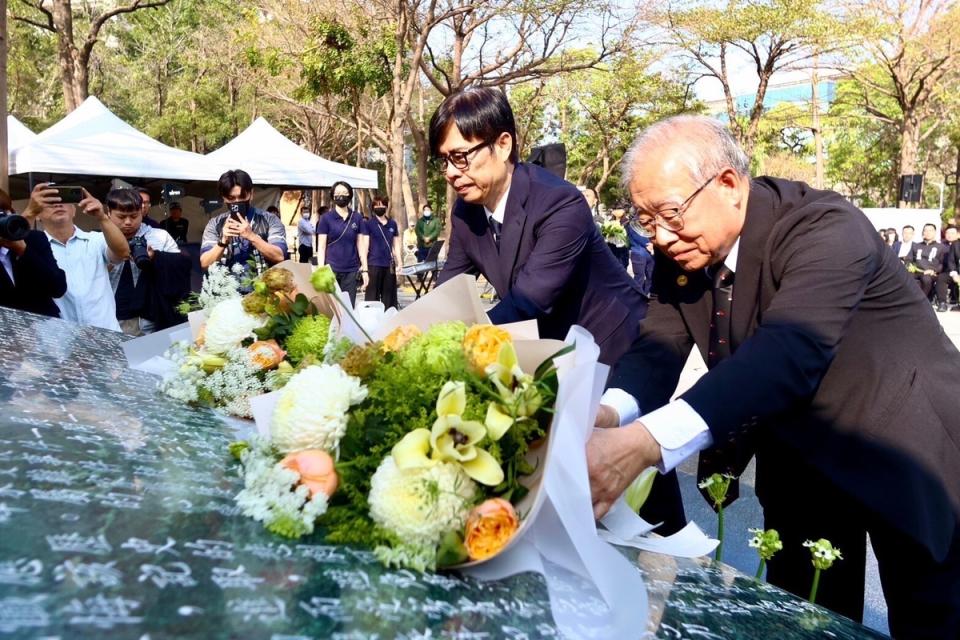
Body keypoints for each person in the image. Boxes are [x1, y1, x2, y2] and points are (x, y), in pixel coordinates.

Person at [586, 115, 960, 637]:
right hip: (800, 457)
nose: (661, 237)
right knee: (807, 619)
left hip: (904, 438)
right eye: (646, 221)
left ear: (728, 185)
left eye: (670, 214)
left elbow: (788, 351)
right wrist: (604, 414)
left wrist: (644, 444)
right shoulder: (685, 255)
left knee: (930, 616)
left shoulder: (824, 227)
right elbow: (656, 347)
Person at [430, 87, 647, 365]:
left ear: (503, 144)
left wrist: (458, 347)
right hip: (548, 350)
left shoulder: (558, 202)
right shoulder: (465, 211)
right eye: (444, 160)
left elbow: (528, 303)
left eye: (460, 156)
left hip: (609, 345)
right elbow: (449, 292)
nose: (450, 172)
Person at [31, 183, 130, 330]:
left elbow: (123, 252)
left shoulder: (96, 240)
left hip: (105, 335)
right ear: (37, 214)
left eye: (63, 200)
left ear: (74, 210)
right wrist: (28, 213)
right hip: (59, 342)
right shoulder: (32, 249)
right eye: (49, 202)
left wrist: (102, 217)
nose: (58, 204)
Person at [105, 189, 190, 336]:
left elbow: (181, 269)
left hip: (148, 317)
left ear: (142, 211)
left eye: (134, 216)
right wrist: (113, 259)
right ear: (108, 213)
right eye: (121, 216)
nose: (128, 222)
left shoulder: (160, 236)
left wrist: (156, 258)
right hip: (109, 316)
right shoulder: (99, 240)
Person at [200, 169, 287, 278]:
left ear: (251, 194)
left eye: (242, 197)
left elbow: (279, 256)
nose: (237, 201)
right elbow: (204, 263)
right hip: (225, 291)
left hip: (262, 290)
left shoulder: (270, 220)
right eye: (231, 198)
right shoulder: (215, 224)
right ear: (224, 198)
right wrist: (223, 242)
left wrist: (252, 237)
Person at [0, 186, 66, 318]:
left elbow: (58, 287)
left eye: (3, 212)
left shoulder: (33, 238)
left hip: (44, 327)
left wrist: (23, 250)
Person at [316, 181, 366, 305]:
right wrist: (321, 270)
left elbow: (361, 245)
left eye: (344, 193)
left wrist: (365, 270)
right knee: (332, 307)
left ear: (350, 196)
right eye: (337, 193)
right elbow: (321, 247)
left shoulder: (357, 218)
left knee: (348, 308)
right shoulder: (326, 218)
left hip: (351, 270)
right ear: (332, 196)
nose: (341, 196)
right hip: (331, 269)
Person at [363, 195, 401, 309]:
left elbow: (396, 244)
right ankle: (371, 320)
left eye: (382, 205)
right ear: (373, 207)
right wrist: (364, 266)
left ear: (386, 206)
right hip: (373, 264)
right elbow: (365, 246)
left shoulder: (392, 224)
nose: (380, 207)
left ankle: (388, 320)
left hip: (389, 265)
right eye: (377, 205)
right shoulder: (368, 224)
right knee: (372, 296)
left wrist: (400, 262)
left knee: (389, 297)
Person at [904, 222, 944, 299]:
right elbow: (908, 259)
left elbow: (942, 263)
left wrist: (934, 270)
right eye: (925, 230)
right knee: (905, 277)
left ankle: (922, 299)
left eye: (930, 230)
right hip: (916, 271)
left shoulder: (940, 247)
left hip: (930, 273)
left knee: (926, 279)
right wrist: (909, 266)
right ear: (923, 232)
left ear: (935, 232)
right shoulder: (916, 245)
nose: (928, 233)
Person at [625, 211, 655, 297]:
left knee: (650, 276)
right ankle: (637, 297)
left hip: (649, 254)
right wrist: (650, 244)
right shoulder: (633, 224)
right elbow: (638, 237)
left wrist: (653, 244)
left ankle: (646, 295)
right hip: (638, 253)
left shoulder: (648, 221)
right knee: (639, 277)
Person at [934, 224, 958, 311]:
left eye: (952, 233)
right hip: (948, 271)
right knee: (942, 278)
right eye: (948, 233)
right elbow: (950, 261)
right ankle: (942, 303)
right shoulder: (941, 245)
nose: (949, 235)